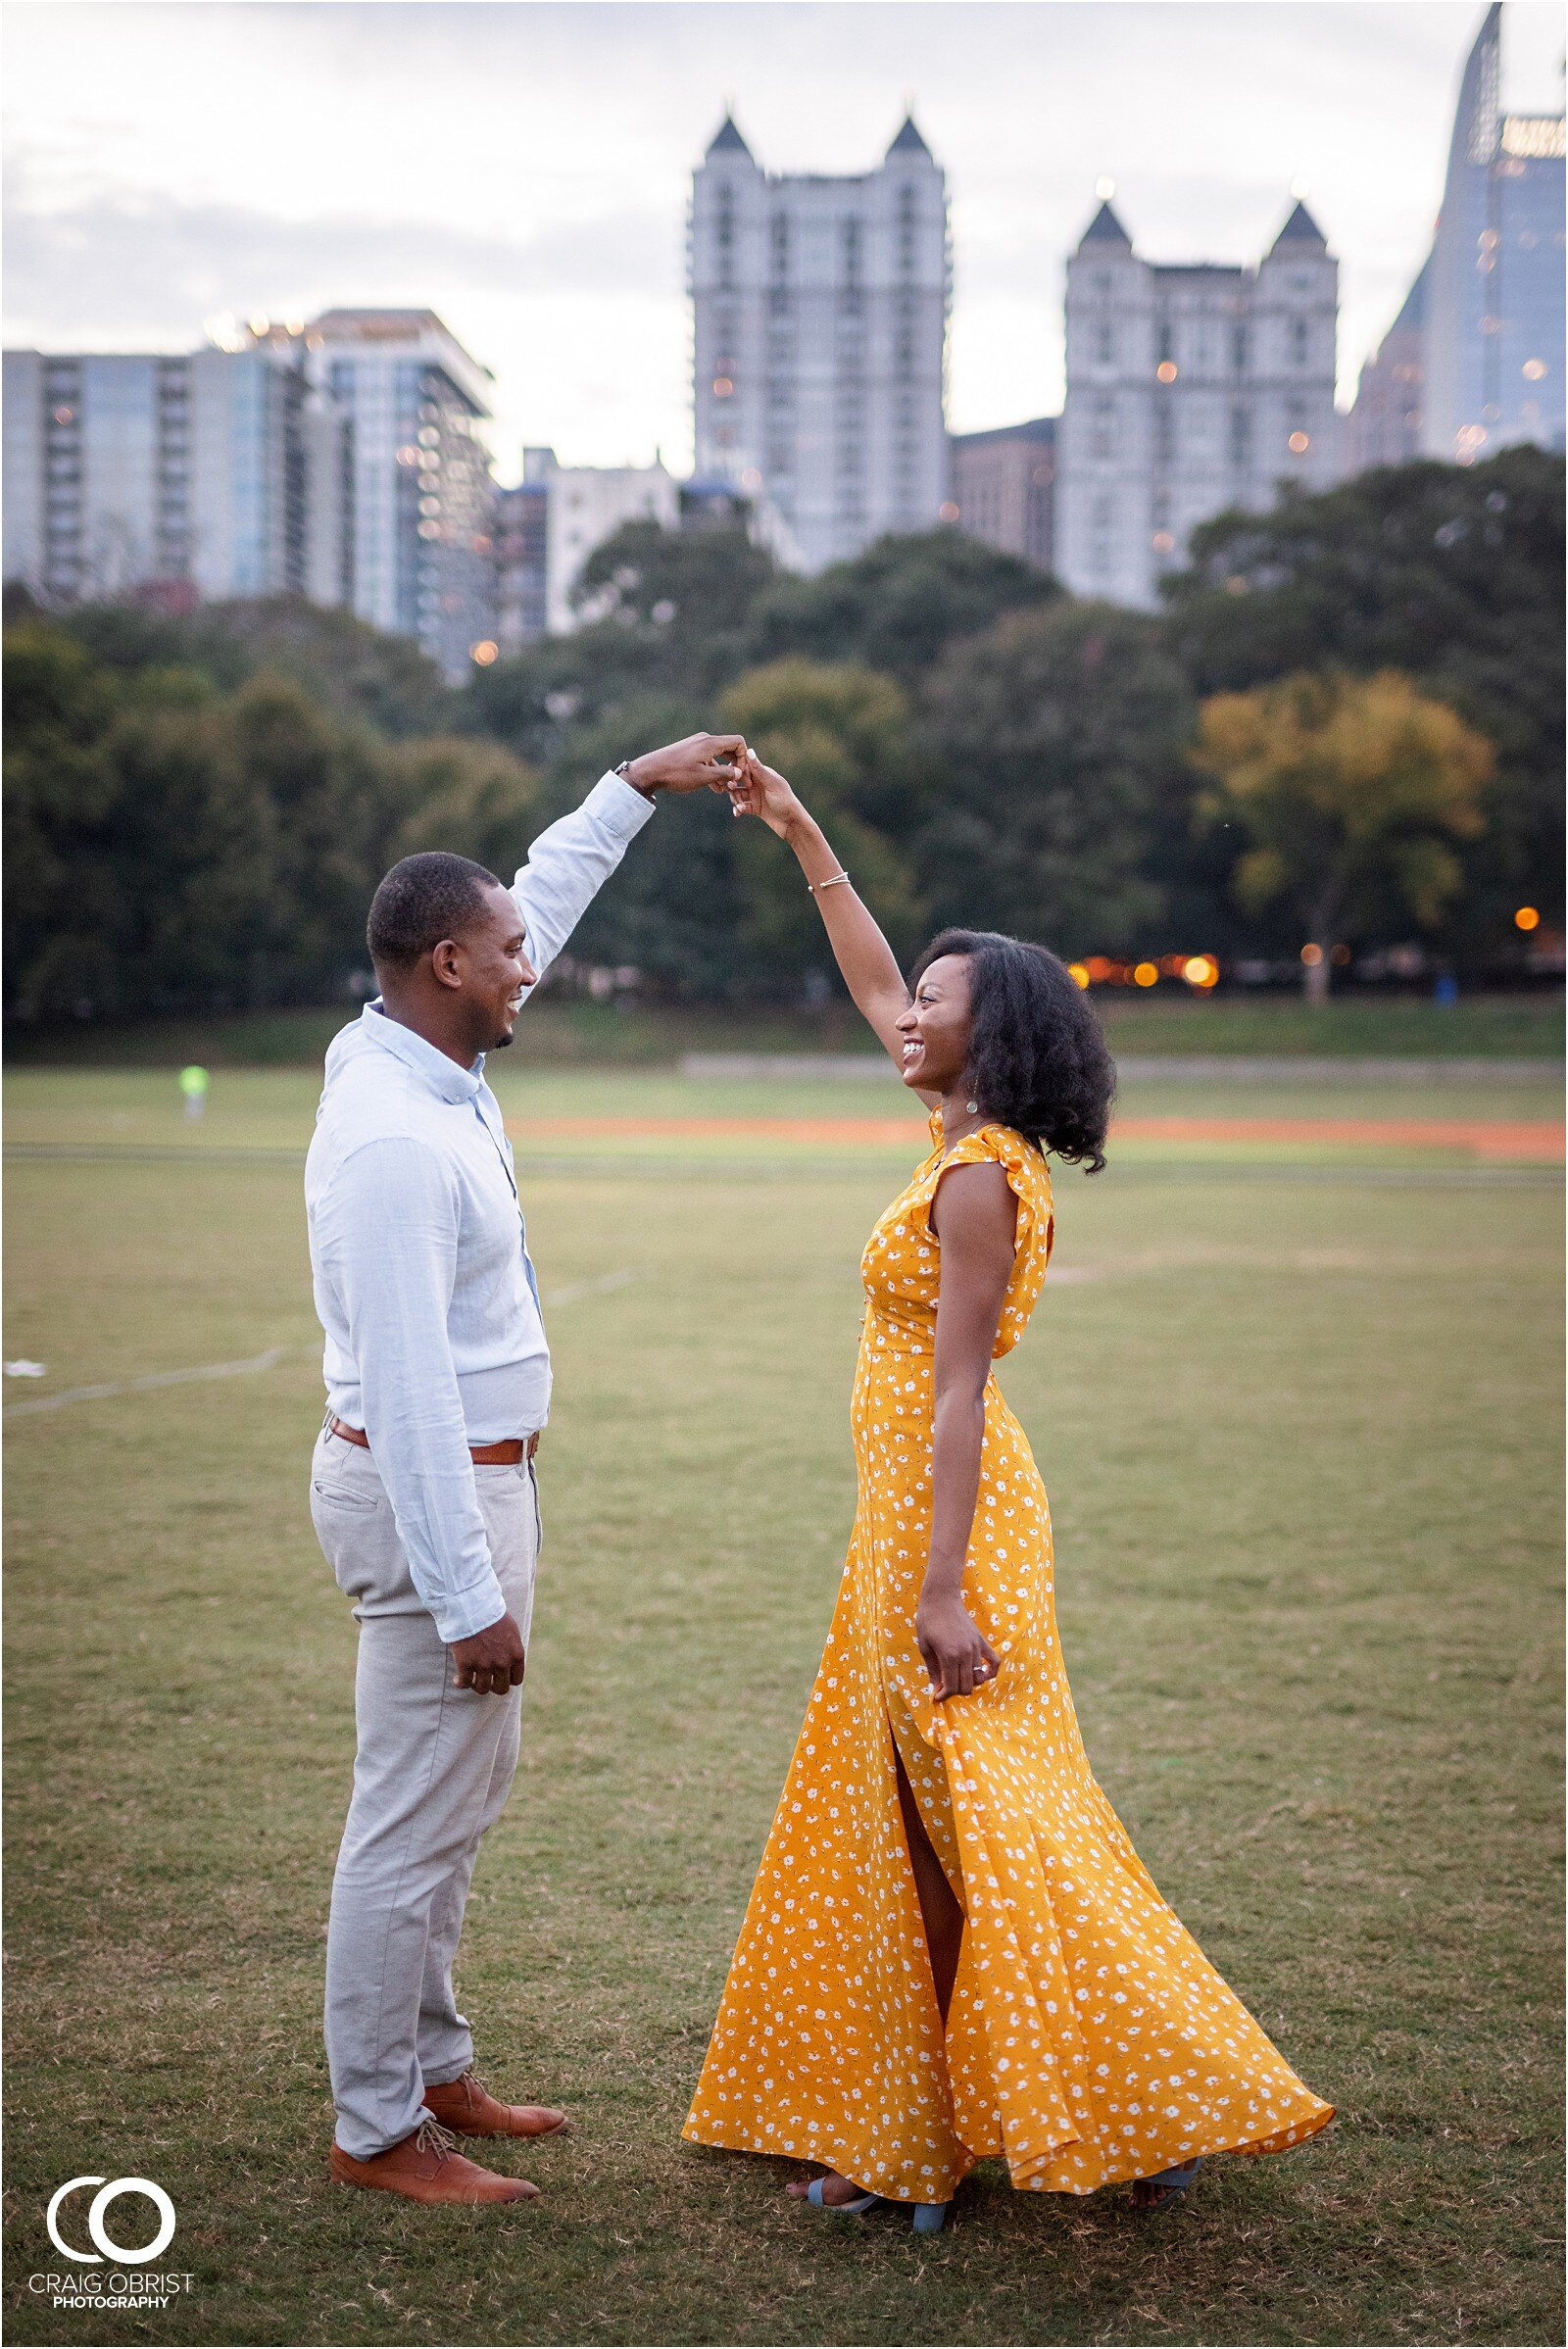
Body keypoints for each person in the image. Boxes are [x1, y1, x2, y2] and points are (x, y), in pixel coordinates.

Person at [683, 755, 1334, 2230]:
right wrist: (799, 831)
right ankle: (969, 2114)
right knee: (930, 1821)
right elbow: (861, 971)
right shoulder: (959, 1135)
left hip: (945, 1529)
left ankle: (1094, 2096)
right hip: (905, 1520)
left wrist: (939, 1586)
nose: (906, 1010)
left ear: (994, 1035)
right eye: (911, 993)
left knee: (990, 1823)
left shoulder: (979, 1176)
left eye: (935, 998)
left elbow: (964, 1387)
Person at [307, 734, 745, 2209]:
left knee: (456, 1795)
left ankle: (434, 2064)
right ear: (445, 963)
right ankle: (378, 2130)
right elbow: (414, 1393)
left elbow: (535, 900)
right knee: (409, 1813)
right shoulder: (389, 1140)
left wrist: (633, 786)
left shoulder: (412, 1046)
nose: (530, 968)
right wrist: (464, 1588)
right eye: (506, 956)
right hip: (436, 1492)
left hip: (482, 1480)